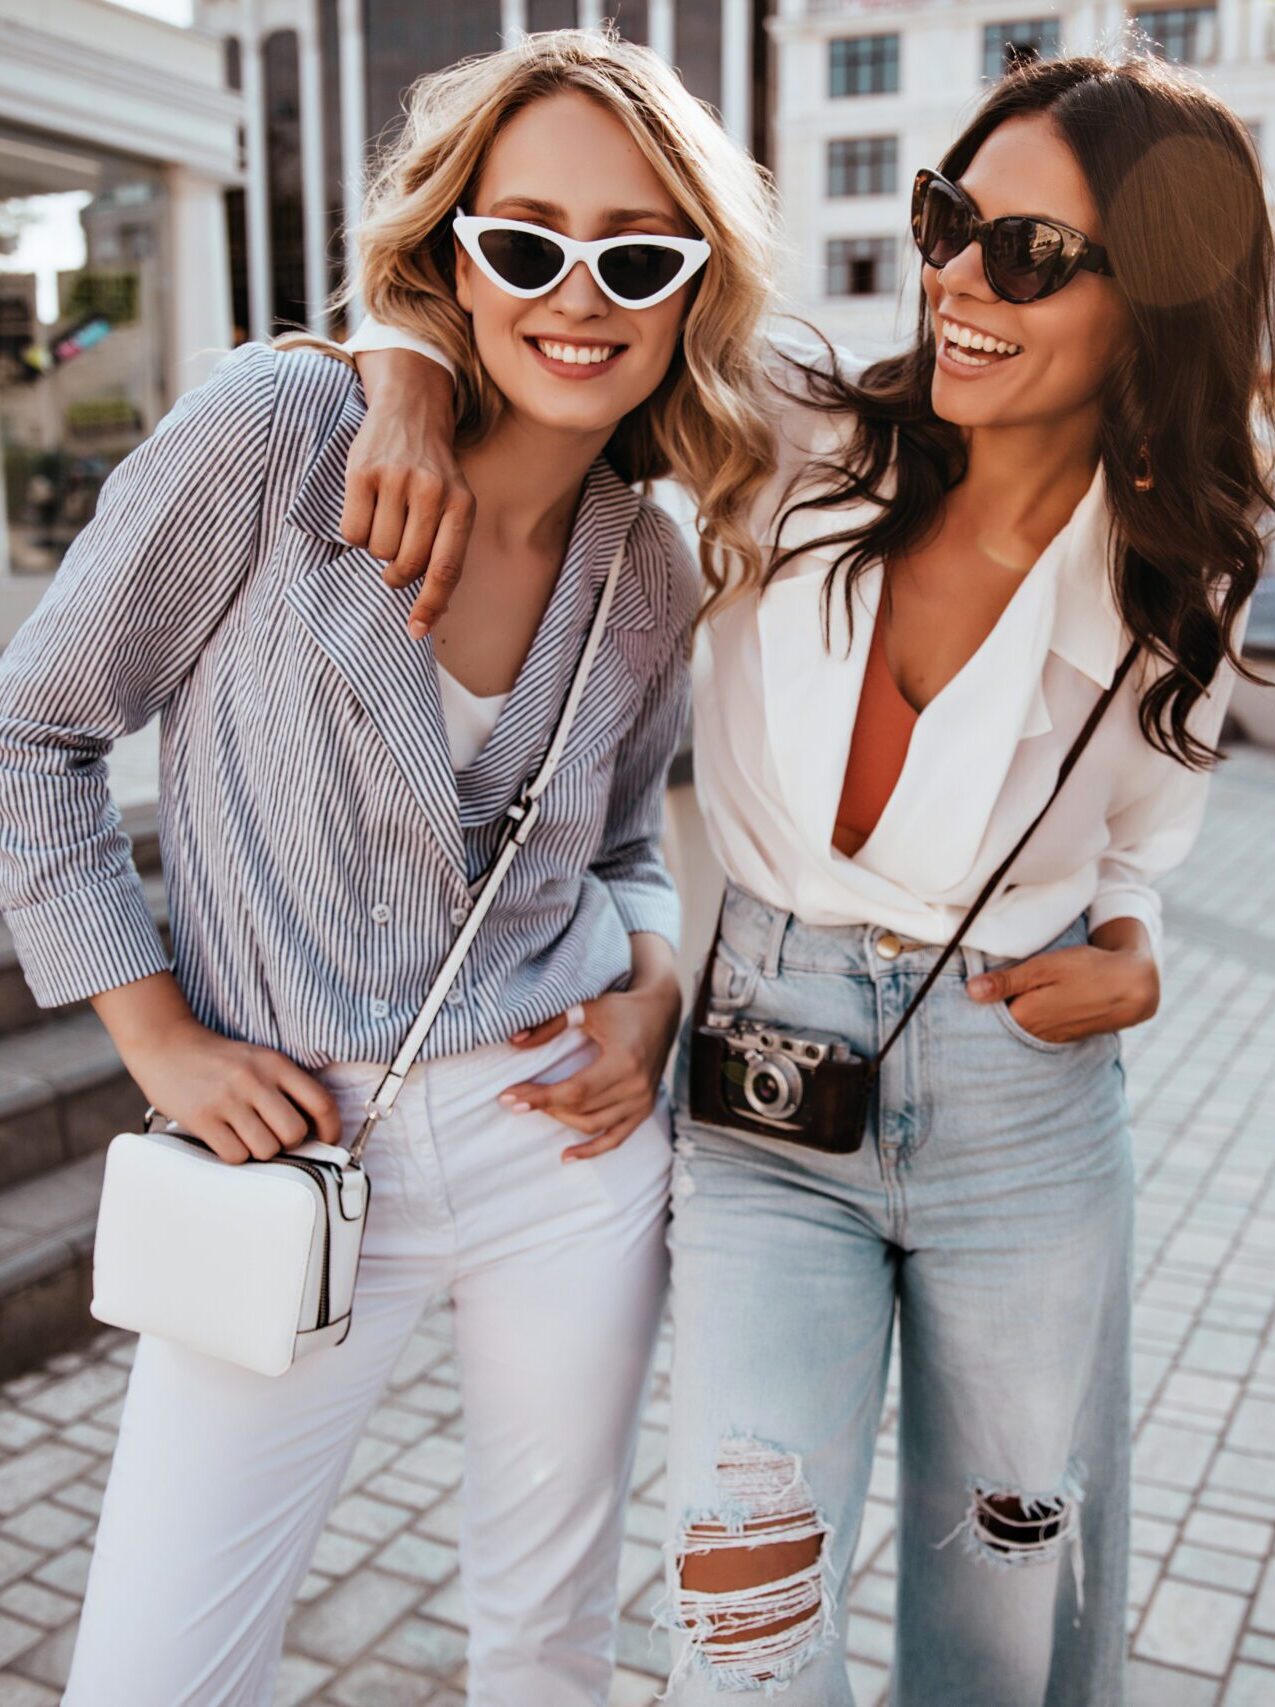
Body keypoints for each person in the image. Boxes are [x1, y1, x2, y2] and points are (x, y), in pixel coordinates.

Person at [343, 49, 1275, 1707]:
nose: (961, 280)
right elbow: (551, 306)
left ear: (1158, 304)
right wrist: (403, 380)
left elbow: (1139, 844)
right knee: (741, 1620)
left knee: (1001, 1607)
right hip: (769, 1103)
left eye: (1031, 255)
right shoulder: (794, 427)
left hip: (1025, 1118)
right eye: (951, 220)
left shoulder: (1179, 572)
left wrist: (1139, 949)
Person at [0, 31, 778, 1706]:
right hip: (284, 1149)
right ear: (453, 257)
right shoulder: (284, 440)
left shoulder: (644, 570)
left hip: (561, 1150)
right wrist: (152, 1037)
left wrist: (649, 994)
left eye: (638, 253)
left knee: (549, 1642)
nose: (581, 293)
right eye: (527, 241)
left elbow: (632, 844)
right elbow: (30, 731)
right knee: (154, 1669)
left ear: (691, 290)